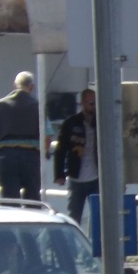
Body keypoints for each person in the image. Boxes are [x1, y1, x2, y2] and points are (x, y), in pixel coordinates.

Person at [0, 72, 42, 202]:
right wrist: (41, 153)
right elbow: (47, 136)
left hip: (7, 156)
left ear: (14, 85)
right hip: (30, 156)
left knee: (9, 198)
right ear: (32, 87)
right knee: (33, 198)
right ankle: (33, 221)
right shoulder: (38, 106)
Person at [52, 88, 99, 226]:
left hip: (96, 177)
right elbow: (60, 149)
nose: (94, 106)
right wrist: (59, 174)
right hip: (76, 176)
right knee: (74, 215)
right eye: (91, 103)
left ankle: (98, 245)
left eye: (96, 103)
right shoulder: (71, 123)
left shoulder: (101, 122)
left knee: (98, 216)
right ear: (82, 103)